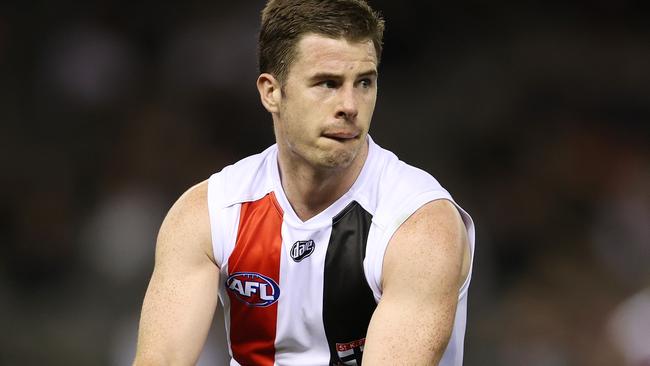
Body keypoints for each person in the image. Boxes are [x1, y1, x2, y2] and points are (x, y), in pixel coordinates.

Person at [133, 0, 475, 365]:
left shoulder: (418, 226)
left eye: (364, 82)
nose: (350, 105)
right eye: (327, 83)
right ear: (271, 93)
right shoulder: (209, 213)